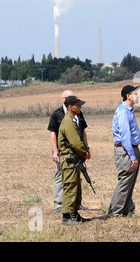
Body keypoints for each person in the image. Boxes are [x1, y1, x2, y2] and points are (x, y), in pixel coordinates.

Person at [48, 90, 90, 213]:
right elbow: (54, 134)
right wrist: (55, 152)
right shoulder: (59, 115)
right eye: (78, 104)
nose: (80, 106)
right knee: (65, 181)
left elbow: (82, 132)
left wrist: (86, 148)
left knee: (74, 182)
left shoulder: (77, 115)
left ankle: (74, 208)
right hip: (66, 154)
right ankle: (61, 206)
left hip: (75, 155)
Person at [108, 85, 140, 217]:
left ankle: (126, 210)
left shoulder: (129, 110)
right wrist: (133, 157)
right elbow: (125, 137)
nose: (137, 96)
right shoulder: (123, 112)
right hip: (126, 150)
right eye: (135, 93)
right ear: (128, 96)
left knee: (130, 181)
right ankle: (115, 212)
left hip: (130, 149)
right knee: (125, 180)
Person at [58, 95, 91, 225]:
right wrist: (84, 152)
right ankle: (66, 217)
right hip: (69, 160)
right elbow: (76, 143)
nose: (80, 107)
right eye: (78, 105)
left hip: (73, 160)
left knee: (75, 186)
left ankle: (74, 214)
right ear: (70, 107)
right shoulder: (68, 122)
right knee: (70, 187)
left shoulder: (72, 120)